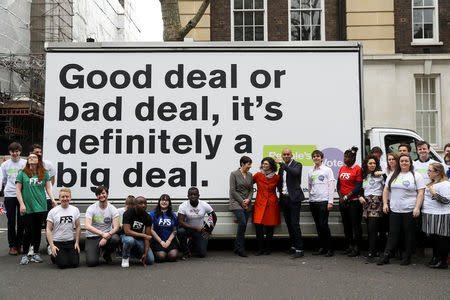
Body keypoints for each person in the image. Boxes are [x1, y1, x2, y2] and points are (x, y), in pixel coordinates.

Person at [377, 154, 425, 266]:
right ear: (399, 163)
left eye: (406, 161)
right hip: (395, 210)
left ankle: (407, 256)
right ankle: (386, 255)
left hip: (409, 210)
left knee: (408, 234)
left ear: (410, 163)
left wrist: (417, 207)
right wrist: (385, 204)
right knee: (393, 234)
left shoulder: (416, 176)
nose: (404, 163)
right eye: (402, 161)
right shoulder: (393, 175)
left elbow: (421, 193)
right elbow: (386, 190)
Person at [16, 153, 56, 265]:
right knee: (28, 231)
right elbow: (18, 190)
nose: (32, 159)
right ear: (27, 161)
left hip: (41, 206)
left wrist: (53, 199)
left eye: (34, 157)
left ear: (38, 160)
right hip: (27, 207)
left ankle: (36, 253)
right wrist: (22, 204)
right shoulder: (22, 174)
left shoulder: (44, 173)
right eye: (30, 157)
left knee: (37, 231)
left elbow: (48, 188)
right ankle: (25, 255)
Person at [30, 144, 57, 256]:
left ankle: (49, 245)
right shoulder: (27, 167)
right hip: (33, 201)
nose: (39, 154)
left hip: (46, 200)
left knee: (48, 224)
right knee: (34, 226)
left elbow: (51, 181)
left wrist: (48, 195)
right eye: (36, 152)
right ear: (31, 154)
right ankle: (33, 247)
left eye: (40, 152)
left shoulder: (48, 165)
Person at [422, 163, 450, 269]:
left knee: (441, 238)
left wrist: (435, 194)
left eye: (430, 171)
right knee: (433, 238)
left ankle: (442, 261)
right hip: (430, 213)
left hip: (441, 214)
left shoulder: (445, 184)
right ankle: (435, 258)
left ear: (437, 172)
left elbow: (446, 201)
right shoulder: (431, 183)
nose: (428, 173)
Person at [307, 150, 335, 257]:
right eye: (314, 156)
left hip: (324, 201)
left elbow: (331, 186)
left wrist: (330, 202)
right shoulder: (311, 172)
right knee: (318, 226)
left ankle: (329, 249)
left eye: (318, 156)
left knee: (324, 225)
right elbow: (310, 186)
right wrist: (311, 197)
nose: (316, 158)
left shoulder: (327, 170)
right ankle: (322, 248)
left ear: (321, 158)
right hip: (313, 201)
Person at [84, 186, 120, 267]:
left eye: (103, 193)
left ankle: (106, 254)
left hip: (107, 236)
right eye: (98, 194)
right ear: (96, 196)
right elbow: (87, 226)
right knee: (91, 263)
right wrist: (102, 234)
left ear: (107, 194)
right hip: (92, 237)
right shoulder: (91, 208)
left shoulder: (113, 209)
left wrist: (106, 236)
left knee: (115, 238)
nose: (101, 195)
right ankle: (97, 250)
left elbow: (116, 227)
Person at [1, 142, 26, 255]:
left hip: (23, 196)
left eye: (17, 151)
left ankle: (19, 245)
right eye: (12, 151)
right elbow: (4, 180)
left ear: (20, 151)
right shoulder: (5, 165)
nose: (15, 153)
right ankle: (12, 246)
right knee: (11, 222)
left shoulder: (25, 163)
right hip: (9, 196)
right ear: (9, 152)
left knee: (21, 222)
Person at [359, 156, 386, 262]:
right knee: (370, 229)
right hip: (366, 203)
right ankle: (374, 250)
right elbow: (361, 189)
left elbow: (388, 186)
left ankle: (371, 253)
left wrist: (383, 174)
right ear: (366, 164)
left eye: (374, 163)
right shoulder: (364, 175)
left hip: (376, 202)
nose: (372, 165)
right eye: (370, 163)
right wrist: (360, 196)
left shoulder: (380, 175)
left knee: (373, 228)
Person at [177, 187, 217, 259]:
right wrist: (195, 227)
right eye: (191, 194)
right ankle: (186, 252)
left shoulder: (204, 205)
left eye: (195, 194)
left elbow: (212, 217)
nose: (193, 196)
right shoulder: (183, 206)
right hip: (188, 229)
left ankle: (192, 242)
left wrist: (209, 231)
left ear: (198, 195)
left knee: (202, 254)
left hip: (200, 230)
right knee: (180, 231)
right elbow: (180, 222)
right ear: (188, 196)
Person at [337, 146, 363, 257]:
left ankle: (357, 248)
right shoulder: (342, 168)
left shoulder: (358, 169)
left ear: (353, 158)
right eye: (344, 156)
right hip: (343, 202)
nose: (345, 159)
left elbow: (358, 187)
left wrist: (346, 197)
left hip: (354, 202)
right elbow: (339, 184)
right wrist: (341, 197)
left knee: (355, 226)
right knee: (346, 226)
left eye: (347, 157)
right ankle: (350, 246)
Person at [46, 188, 80, 269]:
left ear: (70, 198)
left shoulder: (75, 210)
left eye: (67, 196)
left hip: (70, 242)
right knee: (63, 265)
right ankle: (52, 253)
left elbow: (78, 227)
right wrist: (52, 245)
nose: (65, 198)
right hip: (58, 242)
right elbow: (48, 229)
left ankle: (63, 255)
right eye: (63, 197)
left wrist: (77, 243)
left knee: (74, 264)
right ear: (59, 198)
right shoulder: (53, 211)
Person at [252, 157, 280, 256]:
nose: (264, 166)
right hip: (260, 203)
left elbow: (280, 190)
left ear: (271, 166)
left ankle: (268, 248)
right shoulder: (258, 175)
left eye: (266, 164)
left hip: (271, 204)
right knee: (258, 226)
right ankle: (260, 249)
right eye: (263, 164)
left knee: (269, 228)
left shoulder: (276, 177)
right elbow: (248, 183)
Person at [229, 156, 253, 257]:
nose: (250, 166)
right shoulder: (234, 174)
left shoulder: (250, 175)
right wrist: (241, 202)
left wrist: (248, 199)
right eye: (248, 164)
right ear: (242, 164)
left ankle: (237, 247)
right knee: (242, 223)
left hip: (247, 202)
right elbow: (232, 190)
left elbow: (251, 190)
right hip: (236, 202)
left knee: (243, 227)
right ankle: (240, 248)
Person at [121, 196, 154, 268]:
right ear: (135, 204)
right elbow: (127, 231)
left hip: (138, 239)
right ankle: (125, 257)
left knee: (150, 260)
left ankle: (133, 252)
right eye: (140, 203)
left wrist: (145, 253)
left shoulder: (148, 217)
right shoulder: (127, 213)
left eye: (145, 203)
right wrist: (143, 235)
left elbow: (147, 236)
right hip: (126, 236)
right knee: (129, 240)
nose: (143, 205)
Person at [150, 194, 179, 262]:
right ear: (159, 202)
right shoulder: (153, 214)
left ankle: (167, 253)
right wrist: (160, 241)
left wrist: (169, 241)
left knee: (173, 256)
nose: (164, 202)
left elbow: (175, 231)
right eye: (162, 200)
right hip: (157, 240)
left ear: (169, 203)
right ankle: (159, 253)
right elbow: (151, 230)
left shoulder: (173, 215)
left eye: (166, 200)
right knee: (161, 256)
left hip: (170, 240)